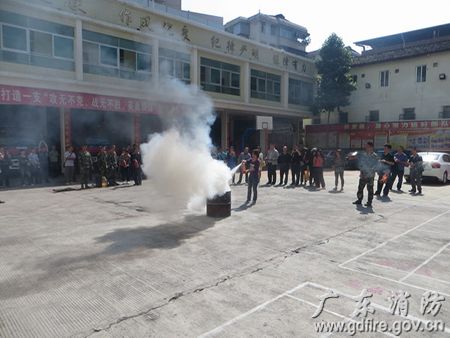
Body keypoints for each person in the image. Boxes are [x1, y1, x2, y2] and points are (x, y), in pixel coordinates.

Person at [353, 142, 379, 207]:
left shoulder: (374, 156)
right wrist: (361, 172)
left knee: (370, 189)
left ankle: (369, 202)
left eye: (367, 146)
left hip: (370, 175)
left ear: (371, 147)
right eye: (366, 146)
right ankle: (359, 200)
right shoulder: (364, 155)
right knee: (360, 188)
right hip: (363, 175)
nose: (366, 148)